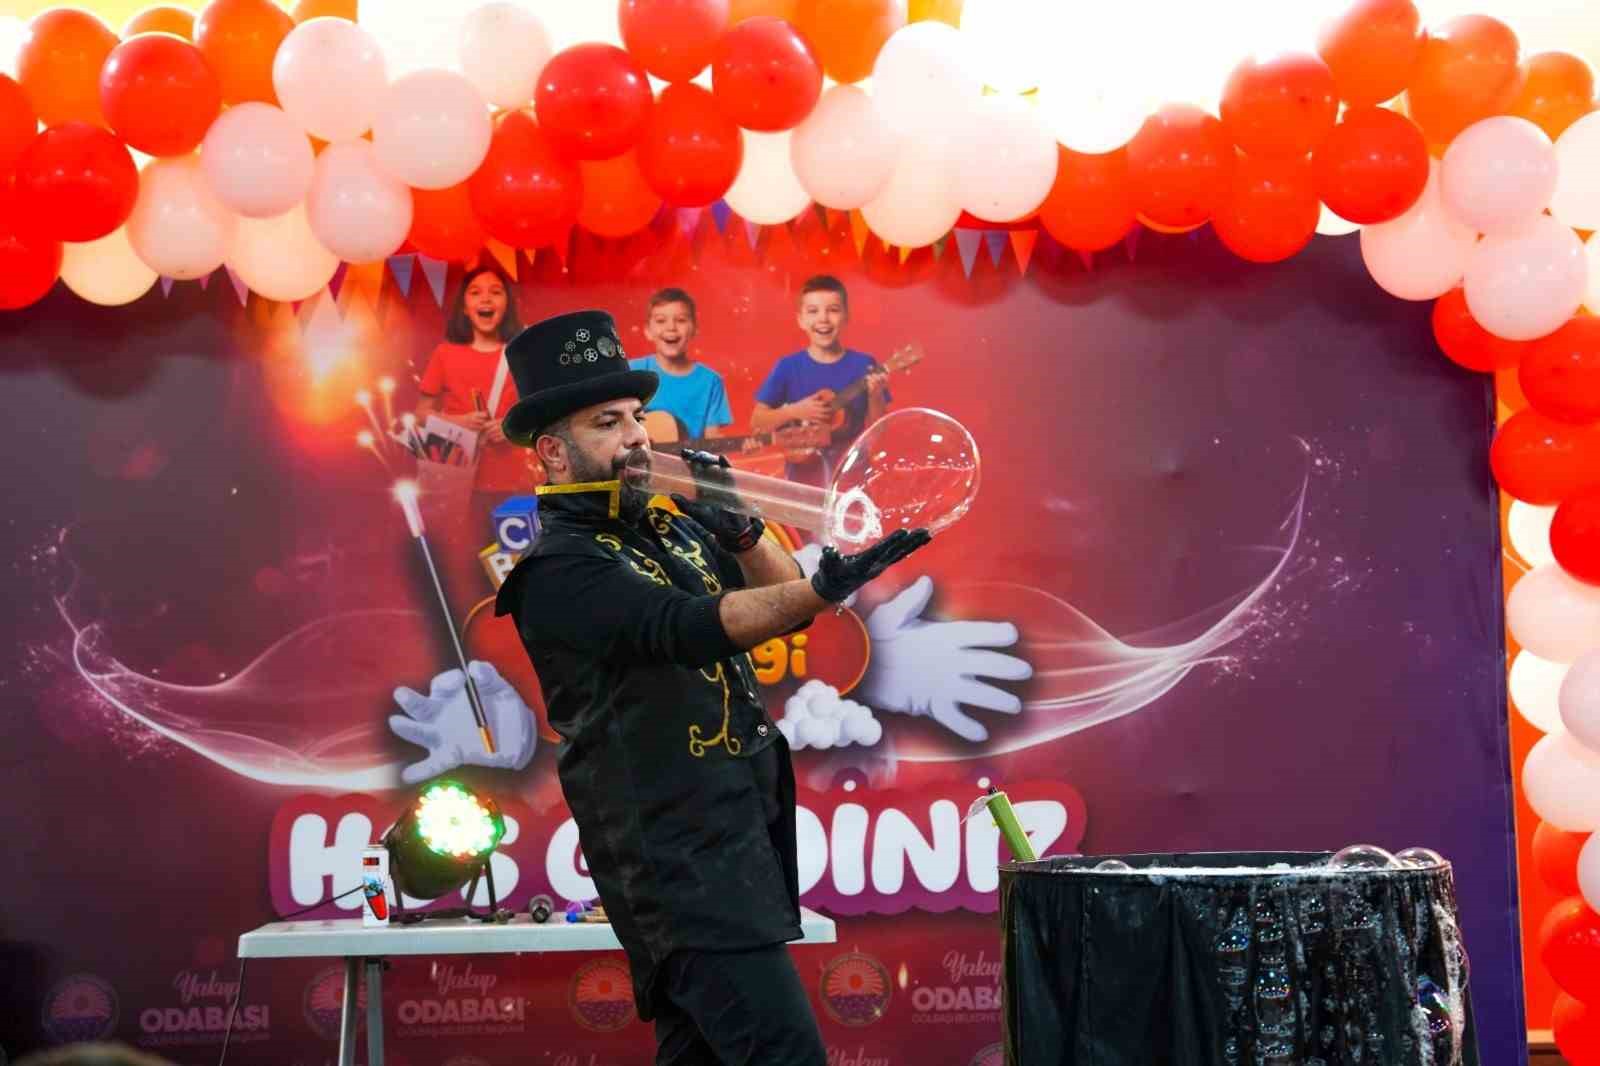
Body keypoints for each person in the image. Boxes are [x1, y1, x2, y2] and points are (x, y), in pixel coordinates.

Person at [492, 309, 930, 1066]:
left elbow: (781, 595)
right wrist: (824, 588)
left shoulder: (672, 527)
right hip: (676, 868)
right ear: (554, 452)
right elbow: (690, 627)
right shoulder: (559, 570)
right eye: (607, 423)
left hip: (735, 846)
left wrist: (742, 528)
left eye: (636, 417)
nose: (635, 437)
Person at [414, 260, 537, 499]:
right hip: (458, 481)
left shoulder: (522, 354)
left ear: (507, 304)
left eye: (496, 292)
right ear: (464, 307)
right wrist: (459, 422)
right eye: (475, 292)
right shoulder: (445, 354)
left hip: (517, 480)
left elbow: (541, 414)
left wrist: (512, 427)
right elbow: (421, 415)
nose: (486, 299)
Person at [749, 274, 888, 485]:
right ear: (801, 320)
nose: (823, 319)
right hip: (801, 484)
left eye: (833, 310)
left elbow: (878, 431)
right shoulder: (788, 367)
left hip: (852, 482)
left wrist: (876, 395)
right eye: (813, 311)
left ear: (846, 316)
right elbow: (758, 421)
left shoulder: (864, 365)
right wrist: (795, 411)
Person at [628, 287, 734, 443]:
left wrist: (742, 445)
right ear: (648, 331)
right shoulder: (631, 372)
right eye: (661, 321)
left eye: (681, 320)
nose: (671, 327)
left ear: (694, 329)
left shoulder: (711, 381)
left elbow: (713, 437)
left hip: (689, 459)